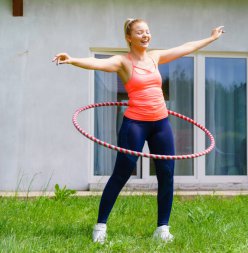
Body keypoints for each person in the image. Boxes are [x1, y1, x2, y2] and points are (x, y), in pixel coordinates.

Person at [52, 18, 224, 244]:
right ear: (129, 38)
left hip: (161, 124)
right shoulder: (122, 61)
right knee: (121, 174)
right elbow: (96, 64)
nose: (146, 35)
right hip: (135, 124)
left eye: (148, 31)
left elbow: (184, 48)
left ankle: (163, 228)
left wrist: (211, 38)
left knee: (167, 175)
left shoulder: (154, 57)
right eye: (140, 32)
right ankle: (100, 226)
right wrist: (72, 60)